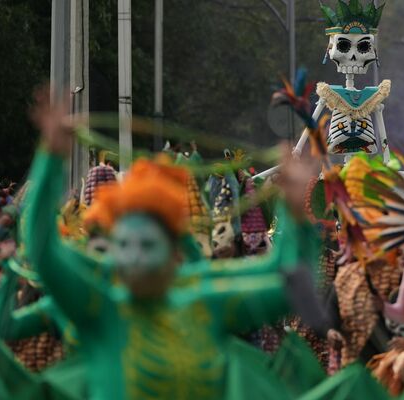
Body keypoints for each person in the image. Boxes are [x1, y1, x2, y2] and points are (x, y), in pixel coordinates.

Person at [23, 88, 321, 400]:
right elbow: (43, 251)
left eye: (147, 245)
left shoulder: (205, 305)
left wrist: (296, 214)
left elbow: (292, 284)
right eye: (122, 245)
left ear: (174, 252)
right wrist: (50, 158)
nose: (134, 257)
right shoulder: (101, 309)